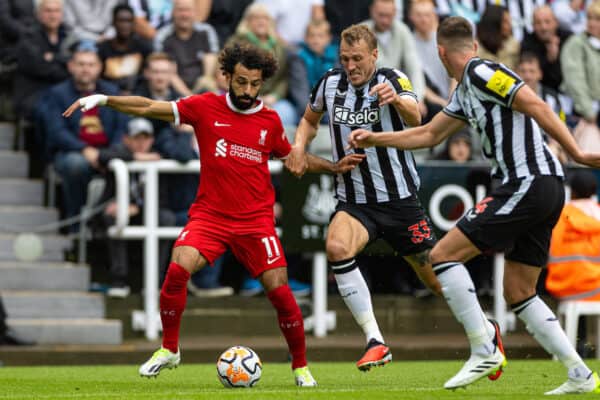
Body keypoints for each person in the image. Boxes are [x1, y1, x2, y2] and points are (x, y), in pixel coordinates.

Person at [63, 42, 364, 386]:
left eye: (255, 83)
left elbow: (295, 158)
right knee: (178, 267)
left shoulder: (269, 120)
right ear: (227, 77)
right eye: (241, 82)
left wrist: (333, 166)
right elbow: (148, 106)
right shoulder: (204, 106)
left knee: (280, 293)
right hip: (211, 217)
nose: (248, 90)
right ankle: (170, 349)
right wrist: (105, 100)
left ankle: (300, 366)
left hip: (256, 221)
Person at [348, 16, 600, 394]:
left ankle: (484, 347)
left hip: (528, 182)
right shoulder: (467, 89)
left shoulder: (481, 72)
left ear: (440, 52)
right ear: (474, 45)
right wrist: (375, 139)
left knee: (443, 254)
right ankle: (579, 373)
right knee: (518, 290)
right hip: (544, 188)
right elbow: (430, 134)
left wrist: (576, 150)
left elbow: (534, 103)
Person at [285, 24, 442, 372]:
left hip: (400, 199)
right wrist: (298, 146)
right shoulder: (330, 83)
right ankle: (375, 340)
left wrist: (397, 101)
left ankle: (485, 332)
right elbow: (309, 121)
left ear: (374, 55)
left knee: (435, 278)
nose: (350, 66)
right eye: (345, 59)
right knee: (337, 247)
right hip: (355, 198)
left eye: (357, 58)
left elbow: (418, 117)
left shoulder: (392, 79)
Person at [45, 41, 128, 230]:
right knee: (76, 165)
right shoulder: (57, 94)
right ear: (71, 66)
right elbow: (56, 132)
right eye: (81, 64)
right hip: (72, 152)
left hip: (106, 152)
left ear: (99, 68)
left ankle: (101, 224)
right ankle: (76, 223)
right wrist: (84, 150)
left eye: (91, 65)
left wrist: (108, 153)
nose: (85, 69)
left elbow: (121, 127)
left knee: (126, 160)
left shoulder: (112, 93)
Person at [90, 117, 175, 298]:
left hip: (145, 212)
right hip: (118, 212)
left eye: (145, 138)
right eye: (136, 138)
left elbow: (163, 198)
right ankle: (118, 281)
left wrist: (136, 208)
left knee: (167, 218)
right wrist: (137, 158)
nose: (141, 143)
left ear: (152, 140)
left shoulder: (160, 157)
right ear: (126, 139)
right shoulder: (120, 153)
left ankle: (157, 282)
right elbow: (103, 156)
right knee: (114, 216)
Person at [98, 4, 153, 94]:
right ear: (113, 22)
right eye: (121, 21)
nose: (125, 25)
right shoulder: (103, 48)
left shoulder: (143, 47)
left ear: (133, 23)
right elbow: (99, 79)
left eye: (129, 21)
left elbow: (146, 76)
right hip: (109, 95)